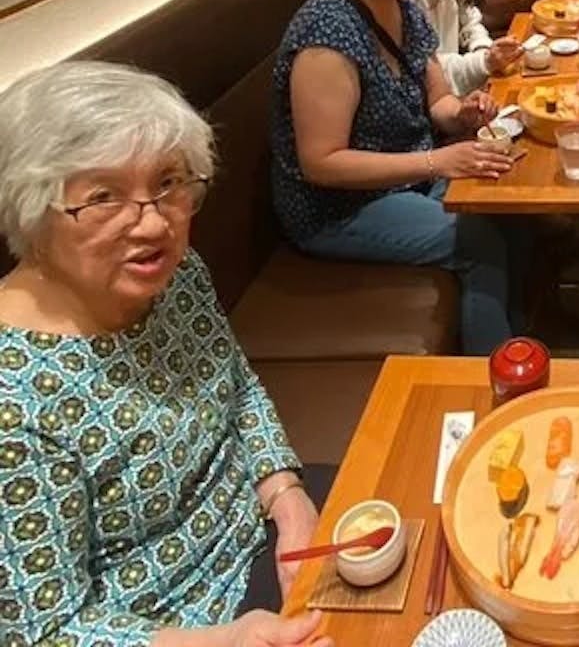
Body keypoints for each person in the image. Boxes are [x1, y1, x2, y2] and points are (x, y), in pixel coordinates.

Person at [0, 61, 332, 647]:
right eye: (103, 196)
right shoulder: (15, 401)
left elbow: (236, 387)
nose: (153, 223)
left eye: (168, 183)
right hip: (185, 627)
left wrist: (288, 500)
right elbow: (46, 631)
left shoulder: (169, 274)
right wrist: (226, 640)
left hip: (263, 530)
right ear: (33, 210)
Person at [270, 0, 520, 355]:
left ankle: (516, 335)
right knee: (480, 240)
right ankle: (496, 379)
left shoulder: (403, 9)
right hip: (339, 209)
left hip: (409, 175)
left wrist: (465, 113)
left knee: (509, 206)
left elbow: (439, 103)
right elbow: (321, 162)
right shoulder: (326, 34)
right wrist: (437, 162)